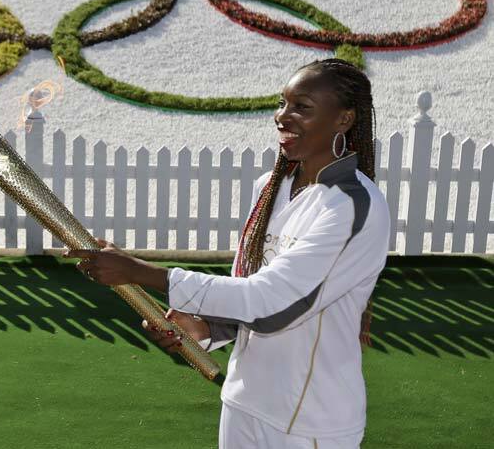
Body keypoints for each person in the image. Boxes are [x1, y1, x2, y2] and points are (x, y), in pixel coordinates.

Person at [67, 58, 390, 449]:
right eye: (282, 103)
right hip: (242, 403)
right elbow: (248, 289)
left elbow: (269, 301)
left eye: (302, 107)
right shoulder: (270, 187)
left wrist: (139, 271)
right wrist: (205, 329)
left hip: (310, 422)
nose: (283, 117)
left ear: (344, 120)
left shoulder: (351, 206)